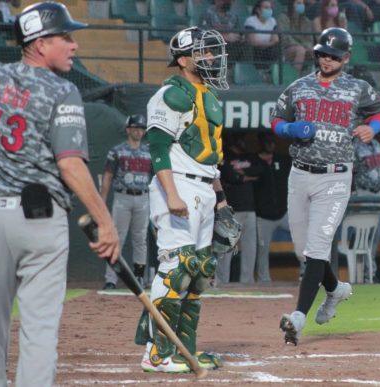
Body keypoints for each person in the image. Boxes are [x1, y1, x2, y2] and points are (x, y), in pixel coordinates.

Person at [0, 3, 120, 386]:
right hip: (39, 222)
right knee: (39, 328)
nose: (74, 45)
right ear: (40, 43)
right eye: (66, 37)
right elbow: (70, 165)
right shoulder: (62, 91)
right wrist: (105, 221)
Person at [270, 27, 380, 345]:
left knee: (317, 248)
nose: (326, 59)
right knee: (303, 252)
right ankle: (336, 290)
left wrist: (372, 128)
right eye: (323, 53)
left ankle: (298, 316)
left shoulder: (357, 88)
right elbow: (276, 120)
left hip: (336, 177)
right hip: (300, 174)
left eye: (333, 56)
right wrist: (290, 128)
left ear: (346, 58)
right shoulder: (300, 86)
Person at [139, 26, 229, 373]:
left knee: (200, 271)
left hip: (204, 187)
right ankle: (156, 353)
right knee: (178, 267)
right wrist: (171, 193)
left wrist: (221, 200)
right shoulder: (171, 94)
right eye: (203, 52)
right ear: (183, 59)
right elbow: (158, 146)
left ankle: (184, 350)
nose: (211, 57)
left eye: (211, 52)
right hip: (176, 185)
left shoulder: (207, 94)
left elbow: (210, 155)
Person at [100, 114, 152, 290]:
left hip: (143, 197)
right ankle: (111, 279)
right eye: (135, 127)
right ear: (128, 129)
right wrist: (101, 203)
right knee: (117, 238)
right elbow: (107, 177)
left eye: (142, 128)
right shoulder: (117, 151)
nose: (139, 131)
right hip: (122, 196)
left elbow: (157, 178)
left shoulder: (148, 151)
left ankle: (139, 277)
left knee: (140, 239)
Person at [215, 133, 261, 285]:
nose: (243, 143)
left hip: (250, 209)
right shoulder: (226, 157)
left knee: (250, 248)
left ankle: (247, 281)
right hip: (232, 210)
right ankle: (222, 282)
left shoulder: (250, 157)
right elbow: (229, 175)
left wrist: (243, 176)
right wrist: (242, 177)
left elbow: (260, 172)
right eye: (240, 140)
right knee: (226, 248)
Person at [253, 133, 292, 283]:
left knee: (303, 236)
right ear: (261, 143)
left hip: (283, 213)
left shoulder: (282, 160)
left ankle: (305, 273)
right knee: (262, 250)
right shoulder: (254, 161)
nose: (271, 145)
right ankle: (264, 281)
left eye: (272, 142)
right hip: (263, 217)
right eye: (267, 142)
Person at [351, 136, 380, 282]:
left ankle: (370, 274)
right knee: (360, 236)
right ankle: (358, 274)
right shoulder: (355, 145)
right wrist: (353, 195)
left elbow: (379, 171)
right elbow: (350, 171)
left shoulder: (377, 144)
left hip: (377, 194)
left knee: (374, 238)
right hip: (361, 193)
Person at [277, 0, 316, 75]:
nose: (302, 5)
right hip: (285, 49)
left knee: (315, 51)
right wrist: (301, 46)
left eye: (303, 3)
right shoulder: (283, 17)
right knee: (300, 50)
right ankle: (294, 78)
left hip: (303, 48)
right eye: (298, 3)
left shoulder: (306, 21)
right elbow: (285, 37)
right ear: (292, 4)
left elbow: (309, 40)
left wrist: (307, 47)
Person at [244, 0, 280, 67]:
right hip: (255, 51)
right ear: (258, 10)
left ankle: (272, 70)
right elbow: (253, 42)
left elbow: (275, 40)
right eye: (266, 8)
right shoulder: (251, 21)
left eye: (270, 8)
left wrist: (263, 43)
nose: (269, 10)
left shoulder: (272, 21)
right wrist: (269, 43)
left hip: (268, 50)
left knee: (277, 47)